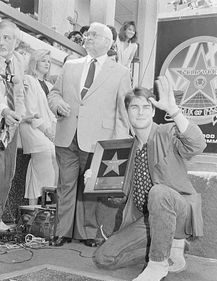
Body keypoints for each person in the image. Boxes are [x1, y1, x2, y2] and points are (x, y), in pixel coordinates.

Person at [93, 76, 206, 281]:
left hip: (178, 210)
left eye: (146, 107)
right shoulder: (123, 151)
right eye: (134, 107)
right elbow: (118, 200)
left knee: (159, 192)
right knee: (104, 258)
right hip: (146, 219)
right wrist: (98, 183)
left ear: (153, 111)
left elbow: (198, 144)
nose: (141, 111)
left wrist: (174, 110)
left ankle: (157, 263)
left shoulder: (167, 132)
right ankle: (165, 245)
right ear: (127, 114)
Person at [48, 22, 132, 247]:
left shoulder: (121, 72)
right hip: (67, 135)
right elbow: (54, 94)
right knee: (65, 185)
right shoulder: (70, 66)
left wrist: (119, 145)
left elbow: (123, 112)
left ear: (108, 42)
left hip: (98, 141)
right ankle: (61, 232)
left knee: (91, 188)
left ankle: (87, 233)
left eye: (94, 34)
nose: (88, 37)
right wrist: (58, 105)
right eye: (88, 34)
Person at [19, 49, 58, 205]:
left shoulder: (49, 84)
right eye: (43, 60)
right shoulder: (28, 79)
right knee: (50, 155)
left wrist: (53, 130)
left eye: (49, 61)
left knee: (38, 168)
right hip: (33, 127)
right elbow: (30, 110)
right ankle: (45, 204)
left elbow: (52, 112)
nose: (47, 64)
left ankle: (33, 207)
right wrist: (47, 130)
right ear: (35, 62)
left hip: (48, 130)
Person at [0, 20, 25, 232]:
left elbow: (19, 93)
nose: (1, 42)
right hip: (2, 117)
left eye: (7, 38)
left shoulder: (18, 61)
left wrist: (19, 115)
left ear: (16, 42)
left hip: (12, 125)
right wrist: (4, 112)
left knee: (8, 172)